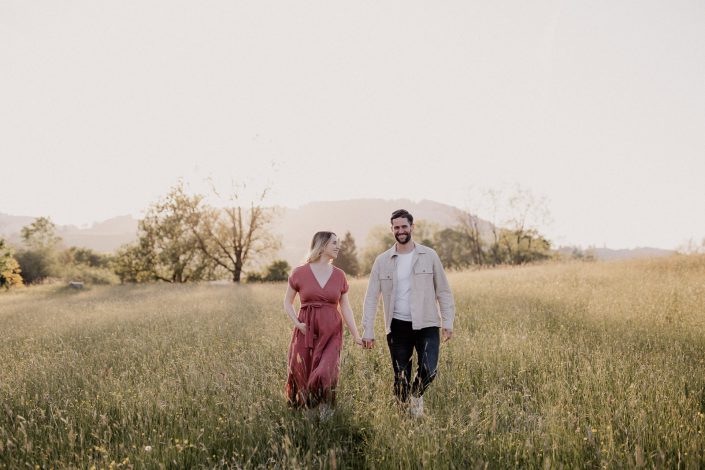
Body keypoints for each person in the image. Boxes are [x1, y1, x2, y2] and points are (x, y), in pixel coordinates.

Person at [361, 209, 455, 417]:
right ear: (392, 229)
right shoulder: (382, 260)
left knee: (429, 369)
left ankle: (416, 396)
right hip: (397, 325)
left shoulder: (429, 255)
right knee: (401, 376)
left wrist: (448, 322)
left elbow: (443, 290)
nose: (401, 231)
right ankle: (404, 418)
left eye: (404, 226)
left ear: (412, 227)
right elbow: (371, 297)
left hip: (427, 323)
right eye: (396, 227)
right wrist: (368, 330)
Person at [284, 231, 363, 420]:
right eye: (334, 243)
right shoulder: (299, 272)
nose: (338, 246)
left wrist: (356, 335)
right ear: (322, 245)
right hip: (306, 330)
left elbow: (346, 308)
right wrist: (297, 323)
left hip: (332, 332)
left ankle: (326, 411)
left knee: (326, 371)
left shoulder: (339, 275)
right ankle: (310, 413)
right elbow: (287, 302)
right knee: (304, 371)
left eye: (338, 243)